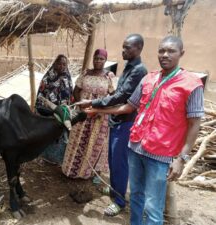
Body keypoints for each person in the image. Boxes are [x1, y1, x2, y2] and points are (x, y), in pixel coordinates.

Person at [83, 36, 204, 225]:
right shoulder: (149, 78)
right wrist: (96, 108)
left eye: (171, 51)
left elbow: (194, 123)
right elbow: (129, 106)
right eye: (161, 50)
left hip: (160, 155)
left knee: (153, 207)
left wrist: (182, 158)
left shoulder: (191, 84)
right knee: (137, 197)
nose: (165, 55)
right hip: (135, 148)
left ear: (181, 53)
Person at [77, 34, 147, 216]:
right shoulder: (129, 67)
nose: (123, 50)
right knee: (112, 160)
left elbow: (120, 96)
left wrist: (94, 104)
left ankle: (119, 201)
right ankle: (116, 189)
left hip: (125, 123)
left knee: (120, 163)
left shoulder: (139, 70)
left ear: (138, 49)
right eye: (123, 46)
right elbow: (118, 93)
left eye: (127, 47)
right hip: (116, 120)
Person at [61, 49, 117, 179]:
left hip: (99, 116)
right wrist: (81, 105)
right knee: (77, 141)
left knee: (93, 144)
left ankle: (87, 173)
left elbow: (114, 96)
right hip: (83, 113)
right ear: (93, 59)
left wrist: (100, 109)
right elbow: (76, 91)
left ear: (105, 60)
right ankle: (71, 171)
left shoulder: (109, 76)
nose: (98, 61)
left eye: (101, 59)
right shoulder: (86, 73)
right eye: (96, 58)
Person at [35, 54, 73, 165]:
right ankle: (43, 157)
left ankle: (56, 159)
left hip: (62, 113)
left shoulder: (67, 77)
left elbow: (70, 94)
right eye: (59, 63)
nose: (61, 66)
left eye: (64, 64)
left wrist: (65, 109)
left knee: (59, 136)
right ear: (55, 64)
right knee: (45, 135)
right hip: (47, 112)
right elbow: (41, 94)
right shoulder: (48, 77)